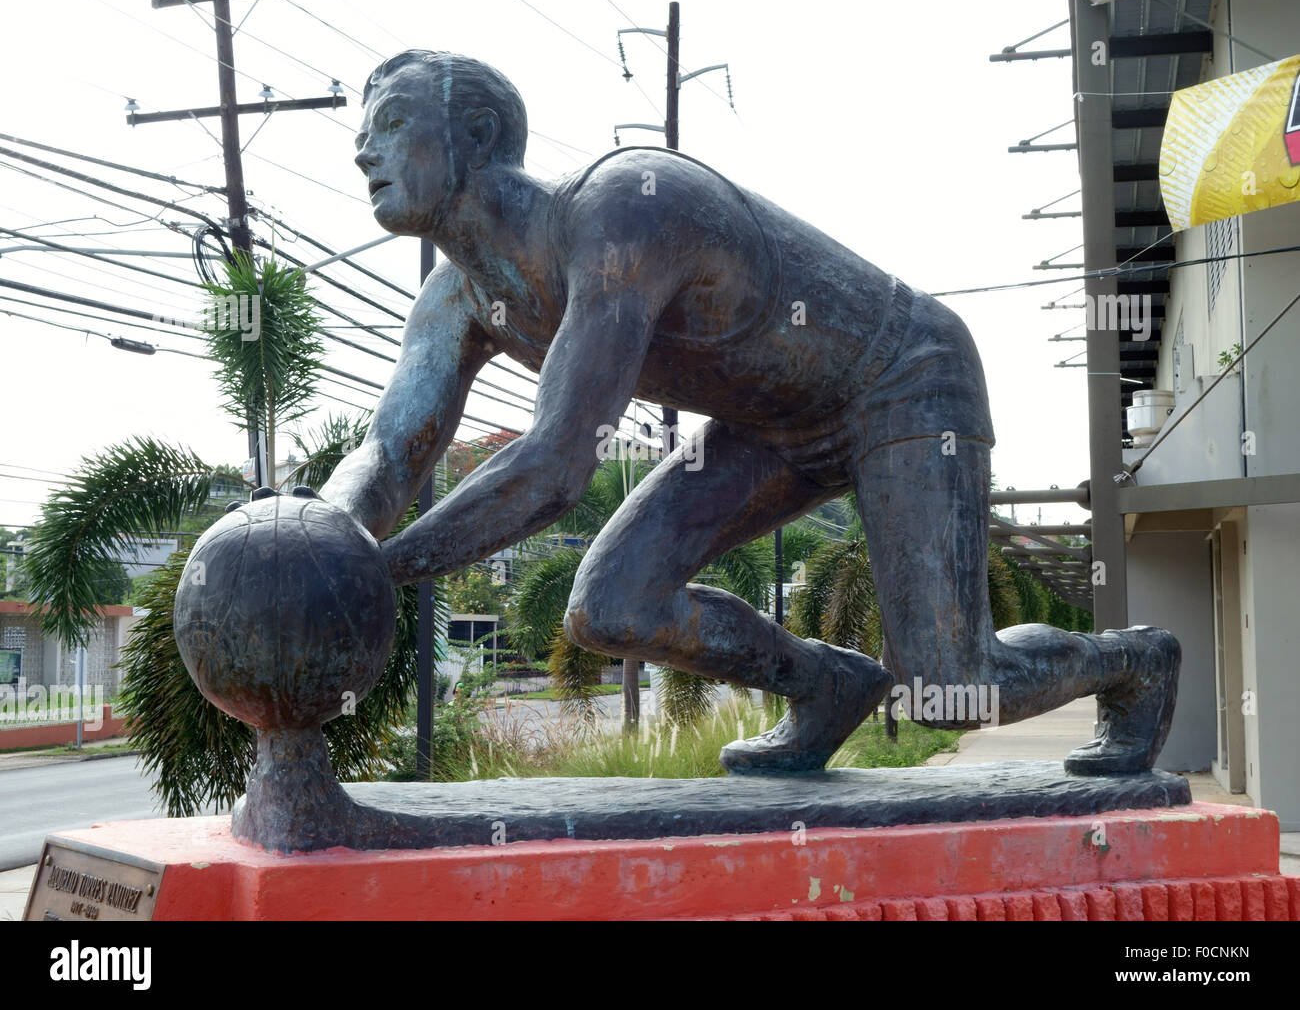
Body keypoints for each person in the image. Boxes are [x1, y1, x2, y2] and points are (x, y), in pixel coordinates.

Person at [321, 50, 1179, 775]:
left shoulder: (624, 208)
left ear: (474, 136)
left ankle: (1133, 661)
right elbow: (391, 450)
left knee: (948, 684)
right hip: (771, 429)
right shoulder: (454, 300)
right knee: (611, 604)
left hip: (900, 375)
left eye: (390, 125)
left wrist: (374, 569)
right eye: (361, 134)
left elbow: (554, 463)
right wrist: (324, 532)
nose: (363, 153)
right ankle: (825, 684)